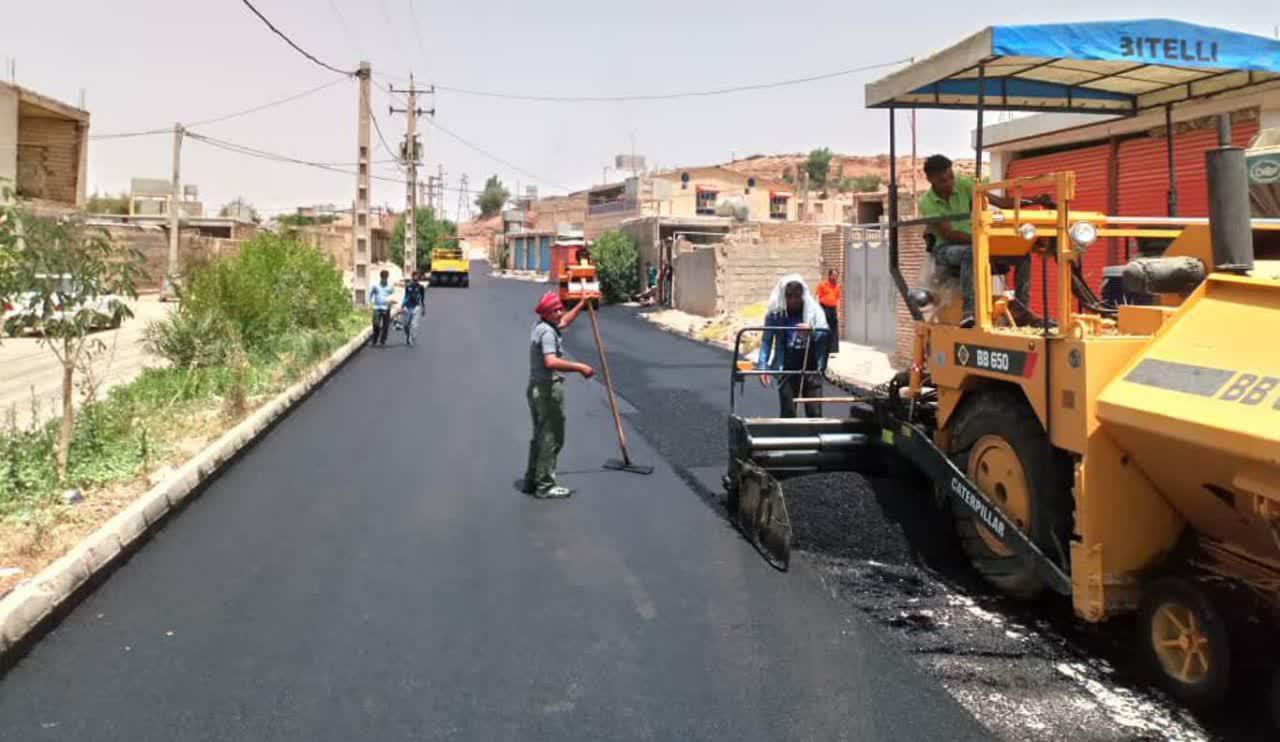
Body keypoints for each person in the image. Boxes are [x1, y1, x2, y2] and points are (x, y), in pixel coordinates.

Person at [918, 154, 1050, 326]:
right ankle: (969, 311)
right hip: (946, 250)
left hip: (976, 243)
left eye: (951, 177)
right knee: (970, 253)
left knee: (1022, 256)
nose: (950, 183)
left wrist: (1034, 200)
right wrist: (982, 240)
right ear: (930, 179)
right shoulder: (927, 202)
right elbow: (948, 234)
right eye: (943, 181)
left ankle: (1021, 310)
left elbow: (1001, 202)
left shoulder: (964, 185)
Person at [522, 291, 594, 499]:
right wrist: (580, 367)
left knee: (540, 435)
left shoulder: (542, 326)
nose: (560, 312)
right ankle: (545, 485)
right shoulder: (547, 334)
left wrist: (581, 305)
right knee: (552, 436)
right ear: (546, 313)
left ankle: (532, 479)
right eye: (556, 310)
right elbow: (551, 362)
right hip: (547, 391)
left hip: (536, 388)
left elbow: (563, 322)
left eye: (560, 308)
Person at [757, 275, 829, 418]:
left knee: (815, 412)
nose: (794, 300)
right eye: (789, 296)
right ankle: (789, 438)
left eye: (797, 296)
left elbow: (825, 334)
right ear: (783, 296)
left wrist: (812, 331)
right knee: (788, 410)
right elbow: (766, 340)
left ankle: (814, 438)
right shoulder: (776, 315)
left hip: (811, 365)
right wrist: (762, 366)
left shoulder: (814, 312)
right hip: (787, 365)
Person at [816, 269, 842, 356]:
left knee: (833, 330)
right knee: (824, 329)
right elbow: (817, 296)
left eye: (836, 276)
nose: (835, 277)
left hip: (832, 310)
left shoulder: (837, 287)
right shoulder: (822, 284)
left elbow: (838, 299)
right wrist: (817, 310)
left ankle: (832, 349)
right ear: (829, 275)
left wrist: (838, 311)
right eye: (833, 275)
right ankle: (823, 348)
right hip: (824, 308)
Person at [368, 269, 396, 347]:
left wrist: (393, 302)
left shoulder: (390, 287)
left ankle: (383, 341)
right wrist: (369, 303)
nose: (384, 279)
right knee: (376, 324)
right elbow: (370, 294)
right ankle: (375, 339)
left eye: (386, 277)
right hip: (376, 308)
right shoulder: (375, 286)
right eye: (383, 277)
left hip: (386, 308)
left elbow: (394, 295)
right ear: (381, 277)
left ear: (387, 277)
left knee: (386, 326)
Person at [400, 270, 425, 346]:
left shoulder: (421, 287)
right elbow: (405, 296)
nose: (416, 277)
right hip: (407, 307)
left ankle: (411, 338)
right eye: (415, 276)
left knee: (414, 325)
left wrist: (423, 308)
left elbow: (422, 298)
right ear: (412, 276)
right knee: (406, 325)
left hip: (416, 307)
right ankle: (408, 335)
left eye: (418, 276)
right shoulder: (408, 286)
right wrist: (402, 306)